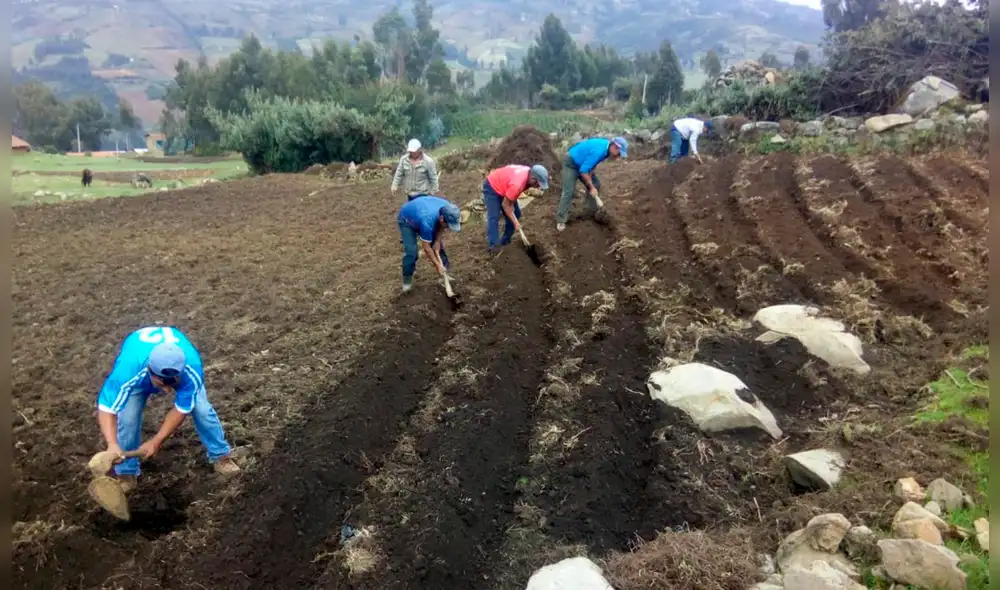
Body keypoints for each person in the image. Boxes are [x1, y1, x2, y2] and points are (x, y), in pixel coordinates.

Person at [96, 326, 240, 493]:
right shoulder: (129, 369)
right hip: (137, 355)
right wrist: (112, 444)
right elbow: (107, 408)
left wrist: (156, 441)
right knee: (127, 419)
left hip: (176, 365)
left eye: (172, 384)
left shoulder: (191, 368)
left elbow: (181, 409)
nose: (166, 391)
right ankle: (126, 473)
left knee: (203, 411)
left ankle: (220, 456)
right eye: (160, 385)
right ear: (149, 371)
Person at [556, 136, 628, 232]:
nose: (618, 156)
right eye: (619, 154)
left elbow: (592, 163)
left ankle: (590, 211)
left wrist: (591, 173)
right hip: (571, 163)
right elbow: (583, 171)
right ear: (615, 147)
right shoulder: (600, 151)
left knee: (596, 184)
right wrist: (591, 187)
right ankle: (561, 220)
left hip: (583, 164)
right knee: (569, 191)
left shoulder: (607, 150)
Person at [397, 195, 463, 293]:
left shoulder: (448, 208)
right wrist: (437, 265)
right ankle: (407, 281)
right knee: (411, 251)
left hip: (424, 211)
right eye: (448, 225)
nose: (449, 227)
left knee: (438, 247)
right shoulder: (427, 222)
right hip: (407, 219)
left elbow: (442, 227)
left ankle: (444, 276)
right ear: (441, 219)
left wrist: (437, 242)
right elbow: (426, 248)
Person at [482, 163, 550, 249]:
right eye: (538, 184)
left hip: (507, 186)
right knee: (494, 216)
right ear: (533, 178)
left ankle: (505, 241)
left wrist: (513, 217)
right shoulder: (518, 185)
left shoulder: (529, 173)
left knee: (516, 213)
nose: (538, 186)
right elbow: (505, 205)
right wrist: (516, 223)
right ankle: (494, 247)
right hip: (492, 186)